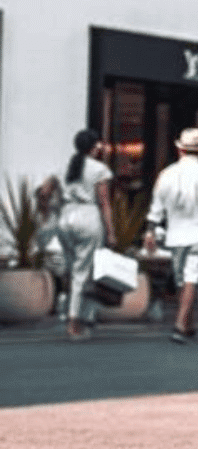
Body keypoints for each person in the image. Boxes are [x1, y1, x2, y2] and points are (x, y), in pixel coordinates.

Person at [143, 128, 198, 344]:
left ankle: (186, 324)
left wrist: (151, 230)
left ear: (180, 149)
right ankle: (182, 324)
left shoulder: (167, 174)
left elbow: (157, 206)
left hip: (176, 235)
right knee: (192, 279)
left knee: (183, 280)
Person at [37, 129, 117, 341]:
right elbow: (104, 202)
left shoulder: (63, 166)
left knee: (73, 270)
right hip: (88, 216)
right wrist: (111, 232)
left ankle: (79, 314)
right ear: (94, 147)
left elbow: (43, 192)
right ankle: (74, 322)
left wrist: (47, 213)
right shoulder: (99, 169)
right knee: (83, 272)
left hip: (65, 216)